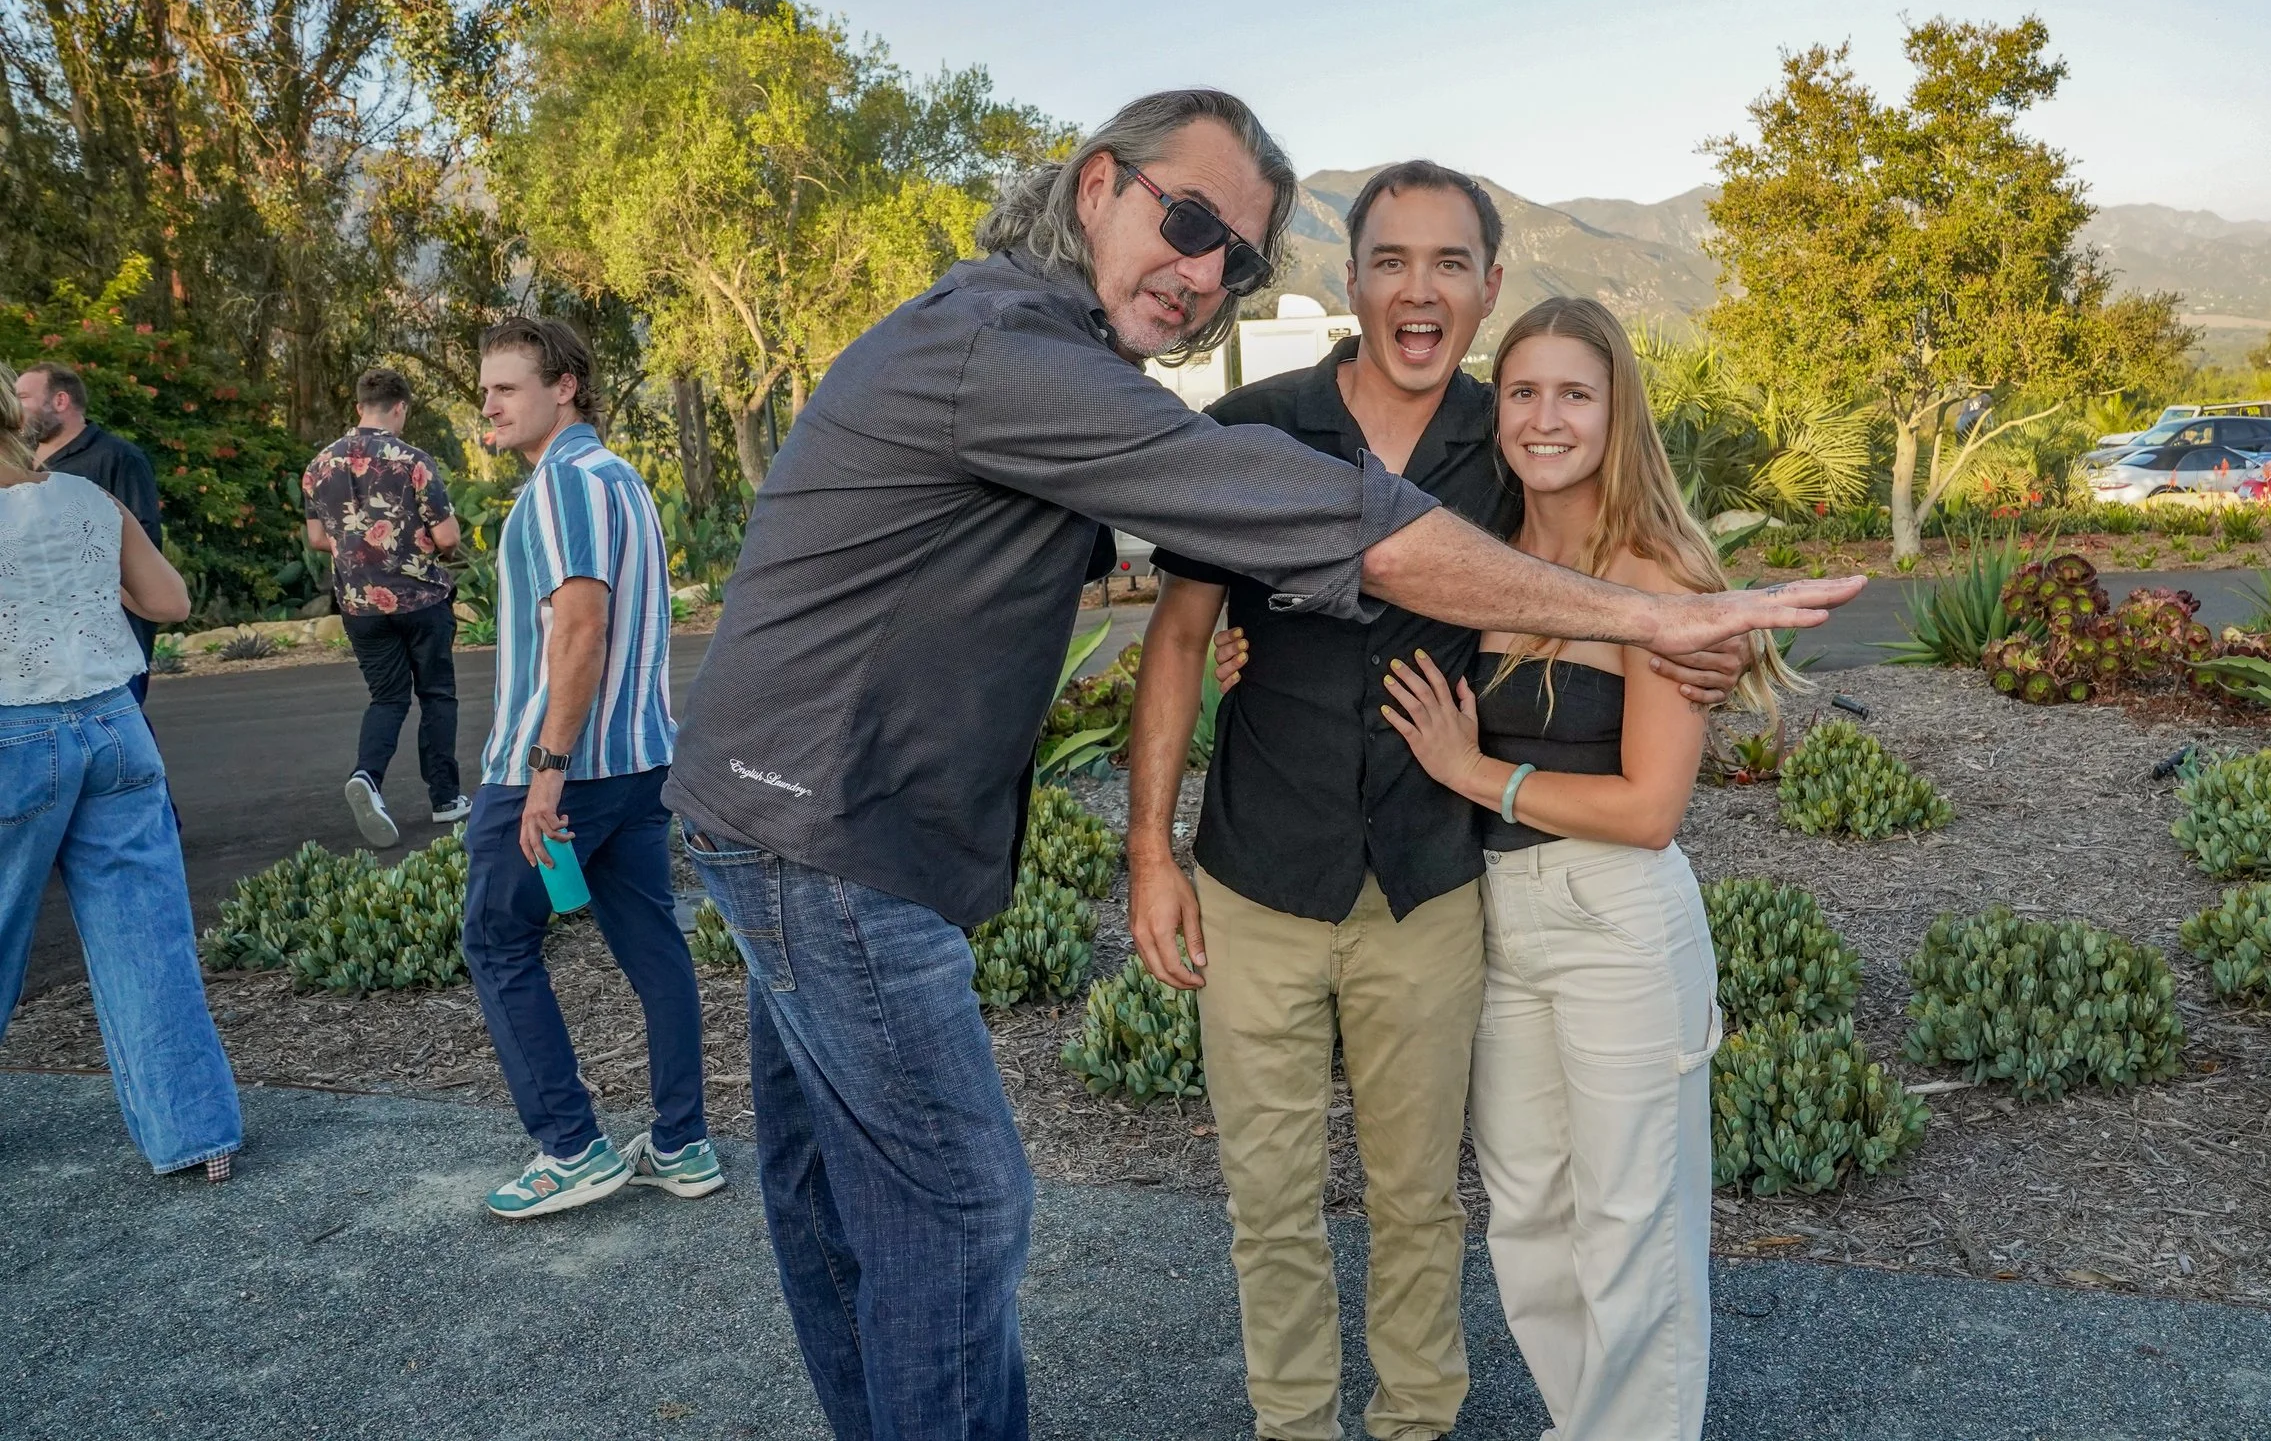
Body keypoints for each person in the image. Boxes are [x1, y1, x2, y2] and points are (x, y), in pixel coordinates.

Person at [663, 87, 1861, 1441]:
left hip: (814, 813)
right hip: (834, 826)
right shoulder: (1016, 348)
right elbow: (1323, 538)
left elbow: (1587, 542)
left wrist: (1669, 635)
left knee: (840, 1194)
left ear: (1487, 286)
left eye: (1233, 258)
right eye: (1186, 222)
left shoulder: (1456, 419)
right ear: (1100, 183)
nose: (1201, 273)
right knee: (957, 1198)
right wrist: (1651, 621)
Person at [1128, 161, 1553, 1441]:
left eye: (1448, 264)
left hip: (1426, 884)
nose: (1418, 290)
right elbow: (1180, 634)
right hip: (1256, 875)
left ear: (1486, 287)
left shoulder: (1513, 449)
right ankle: (1293, 1425)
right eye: (1391, 260)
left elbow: (1593, 583)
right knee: (1267, 1197)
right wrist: (1150, 851)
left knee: (1420, 1198)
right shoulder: (1251, 429)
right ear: (1351, 279)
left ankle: (1417, 1422)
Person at [1378, 298, 1796, 1441]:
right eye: (1521, 391)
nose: (1544, 416)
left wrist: (1477, 775)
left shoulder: (1654, 569)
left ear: (1617, 412)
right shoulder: (1482, 552)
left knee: (1630, 1226)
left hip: (1614, 918)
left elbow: (1650, 809)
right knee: (1527, 1215)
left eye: (1574, 392)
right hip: (1496, 918)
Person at [461, 316, 719, 1219]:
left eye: (506, 386)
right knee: (654, 947)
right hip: (640, 760)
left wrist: (544, 772)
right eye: (485, 387)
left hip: (560, 768)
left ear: (564, 384)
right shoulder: (623, 481)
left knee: (495, 941)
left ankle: (571, 1147)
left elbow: (579, 627)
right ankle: (682, 1142)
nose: (487, 403)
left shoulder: (564, 484)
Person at [0, 361, 242, 1180]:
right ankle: (196, 1135)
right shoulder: (85, 497)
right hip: (114, 723)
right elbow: (169, 601)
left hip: (11, 735)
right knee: (146, 935)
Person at [302, 367, 470, 847]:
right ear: (400, 408)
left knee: (387, 698)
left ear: (359, 407)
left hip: (360, 606)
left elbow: (318, 537)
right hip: (421, 599)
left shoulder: (319, 466)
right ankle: (445, 799)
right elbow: (448, 536)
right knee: (436, 694)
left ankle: (367, 777)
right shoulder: (413, 461)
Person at [15, 361, 166, 702]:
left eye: (23, 396)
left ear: (61, 401)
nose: (14, 407)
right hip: (44, 637)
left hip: (109, 634)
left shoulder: (118, 457)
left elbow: (143, 542)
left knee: (120, 730)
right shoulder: (20, 467)